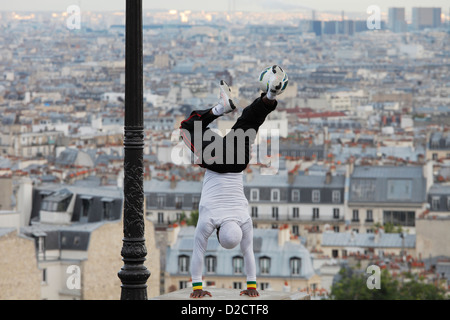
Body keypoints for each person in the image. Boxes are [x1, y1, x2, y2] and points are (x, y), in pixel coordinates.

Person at [179, 65, 288, 298]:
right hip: (215, 161)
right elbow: (198, 252)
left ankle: (269, 96)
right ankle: (219, 109)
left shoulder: (244, 220)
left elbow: (248, 252)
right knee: (188, 128)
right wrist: (197, 288)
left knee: (249, 122)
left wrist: (251, 287)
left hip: (238, 161)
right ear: (218, 233)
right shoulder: (209, 221)